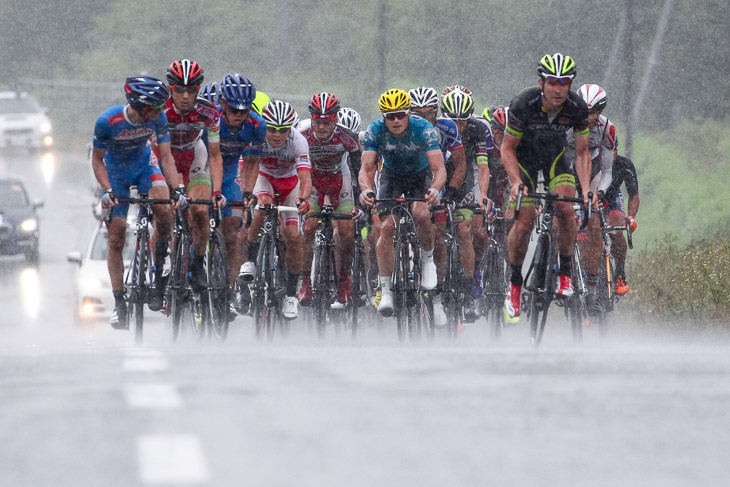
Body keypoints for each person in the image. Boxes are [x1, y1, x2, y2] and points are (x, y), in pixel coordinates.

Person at [501, 53, 593, 319]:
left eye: (564, 83)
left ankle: (565, 274)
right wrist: (516, 182)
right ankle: (515, 284)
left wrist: (586, 189)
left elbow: (582, 153)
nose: (558, 89)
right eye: (552, 82)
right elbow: (507, 149)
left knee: (565, 207)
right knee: (524, 223)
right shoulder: (523, 104)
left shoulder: (577, 107)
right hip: (525, 161)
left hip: (555, 158)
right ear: (541, 83)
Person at [91, 76, 180, 329]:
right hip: (116, 173)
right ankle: (120, 304)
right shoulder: (107, 121)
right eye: (156, 107)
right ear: (141, 106)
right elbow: (97, 161)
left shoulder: (159, 119)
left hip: (144, 165)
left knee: (164, 207)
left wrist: (178, 188)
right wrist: (107, 190)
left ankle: (160, 268)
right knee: (117, 236)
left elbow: (165, 156)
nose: (161, 111)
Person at [359, 89, 446, 316]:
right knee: (386, 228)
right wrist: (367, 189)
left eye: (400, 115)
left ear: (408, 114)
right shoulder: (375, 131)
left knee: (421, 214)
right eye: (390, 116)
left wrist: (436, 189)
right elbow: (366, 168)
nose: (396, 120)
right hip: (392, 176)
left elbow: (439, 168)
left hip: (421, 175)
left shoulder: (424, 129)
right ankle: (386, 290)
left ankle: (427, 262)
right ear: (383, 117)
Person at [240, 100, 311, 319]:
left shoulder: (298, 141)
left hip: (290, 183)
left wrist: (303, 199)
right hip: (264, 177)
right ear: (265, 126)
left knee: (292, 235)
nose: (278, 135)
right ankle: (251, 261)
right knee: (262, 209)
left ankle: (290, 294)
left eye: (283, 130)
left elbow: (305, 176)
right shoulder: (256, 135)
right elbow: (247, 167)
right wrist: (246, 193)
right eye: (272, 129)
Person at [159, 59, 223, 292]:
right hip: (165, 156)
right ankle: (159, 265)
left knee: (199, 209)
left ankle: (197, 263)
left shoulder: (209, 112)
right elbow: (155, 151)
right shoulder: (160, 110)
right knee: (163, 212)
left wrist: (216, 192)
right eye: (179, 90)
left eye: (191, 90)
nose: (185, 96)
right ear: (170, 89)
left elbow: (215, 156)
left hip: (194, 153)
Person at [407, 86, 466, 324]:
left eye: (428, 114)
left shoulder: (447, 128)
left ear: (437, 113)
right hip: (408, 177)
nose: (423, 119)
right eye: (417, 114)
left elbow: (461, 165)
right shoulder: (401, 127)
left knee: (439, 236)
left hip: (436, 178)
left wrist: (449, 192)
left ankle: (438, 295)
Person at [298, 93, 361, 308]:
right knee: (308, 228)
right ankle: (305, 281)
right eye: (317, 121)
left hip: (339, 179)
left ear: (335, 120)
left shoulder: (347, 136)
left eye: (327, 122)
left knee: (346, 231)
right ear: (311, 119)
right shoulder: (301, 134)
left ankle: (344, 279)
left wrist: (360, 200)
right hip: (313, 180)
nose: (321, 126)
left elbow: (358, 169)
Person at [439, 87, 494, 322]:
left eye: (463, 120)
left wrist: (482, 195)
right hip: (440, 176)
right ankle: (435, 283)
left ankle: (469, 280)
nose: (458, 126)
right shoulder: (436, 127)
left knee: (468, 231)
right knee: (436, 231)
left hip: (467, 179)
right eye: (453, 120)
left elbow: (482, 167)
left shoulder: (480, 129)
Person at [216, 73, 267, 311]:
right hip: (203, 167)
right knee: (196, 216)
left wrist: (247, 192)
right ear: (223, 104)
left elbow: (252, 162)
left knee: (234, 231)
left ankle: (227, 289)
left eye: (243, 111)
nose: (238, 116)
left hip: (228, 172)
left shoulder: (257, 125)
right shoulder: (212, 119)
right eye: (233, 111)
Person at [570, 83, 619, 313]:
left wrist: (599, 193)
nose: (588, 118)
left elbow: (608, 171)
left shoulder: (607, 127)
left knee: (595, 224)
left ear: (600, 112)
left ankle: (591, 288)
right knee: (564, 215)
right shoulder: (565, 124)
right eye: (584, 112)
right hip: (567, 167)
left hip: (594, 170)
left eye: (593, 113)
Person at [604, 153, 639, 294]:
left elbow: (634, 194)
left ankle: (619, 274)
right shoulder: (590, 160)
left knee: (617, 231)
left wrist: (630, 217)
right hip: (589, 197)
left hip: (612, 199)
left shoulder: (624, 164)